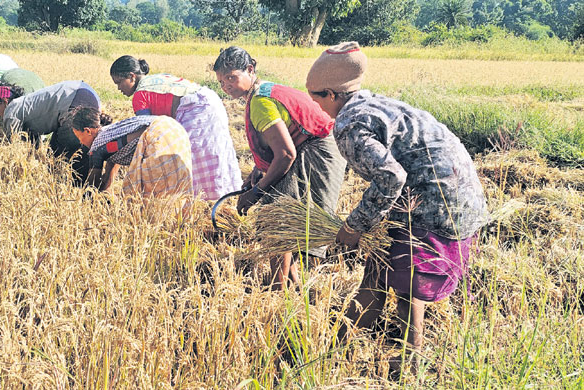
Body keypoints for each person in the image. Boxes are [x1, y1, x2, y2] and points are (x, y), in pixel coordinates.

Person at [305, 42, 489, 369]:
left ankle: (408, 364)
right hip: (461, 195)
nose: (314, 104)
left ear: (332, 94)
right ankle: (335, 351)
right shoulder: (375, 104)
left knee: (403, 285)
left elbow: (391, 178)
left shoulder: (349, 123)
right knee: (379, 275)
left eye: (316, 96)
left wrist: (353, 228)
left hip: (434, 203)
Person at [213, 46, 346, 291]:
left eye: (231, 77)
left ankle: (278, 286)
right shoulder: (260, 92)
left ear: (250, 70)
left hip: (318, 150)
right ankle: (290, 281)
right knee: (284, 213)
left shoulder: (261, 101)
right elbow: (278, 143)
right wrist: (259, 169)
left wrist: (256, 192)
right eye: (221, 81)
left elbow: (285, 154)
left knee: (279, 216)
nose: (226, 85)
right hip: (311, 145)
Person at [110, 55, 241, 201]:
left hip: (195, 110)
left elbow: (146, 131)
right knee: (215, 155)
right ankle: (224, 199)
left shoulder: (140, 95)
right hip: (211, 101)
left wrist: (118, 145)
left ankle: (201, 203)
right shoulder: (155, 79)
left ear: (131, 77)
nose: (118, 88)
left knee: (189, 160)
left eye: (119, 82)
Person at [0, 81, 101, 185]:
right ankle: (89, 188)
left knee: (60, 159)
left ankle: (70, 191)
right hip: (88, 94)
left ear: (4, 102)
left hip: (73, 103)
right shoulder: (26, 103)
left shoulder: (11, 110)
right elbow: (31, 139)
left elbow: (16, 147)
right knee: (82, 150)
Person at [66, 107, 193, 197]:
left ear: (88, 131)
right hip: (174, 128)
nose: (81, 143)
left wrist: (84, 200)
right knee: (177, 182)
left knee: (152, 193)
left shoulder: (97, 148)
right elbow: (111, 166)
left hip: (158, 134)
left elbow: (92, 186)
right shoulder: (110, 132)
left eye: (79, 137)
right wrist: (107, 189)